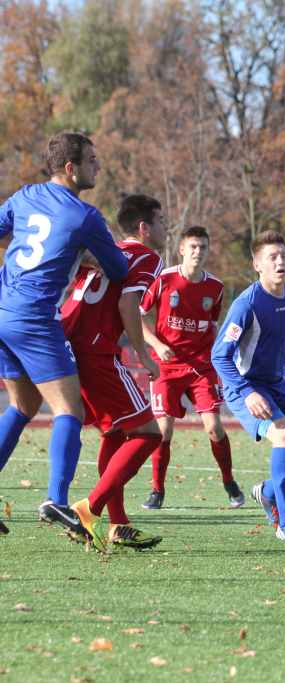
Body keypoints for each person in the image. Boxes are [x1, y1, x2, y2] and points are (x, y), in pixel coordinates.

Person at [0, 132, 129, 538]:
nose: (98, 166)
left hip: (3, 311)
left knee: (22, 405)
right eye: (92, 160)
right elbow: (120, 269)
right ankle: (55, 499)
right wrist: (86, 252)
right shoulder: (85, 216)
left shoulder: (25, 196)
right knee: (69, 410)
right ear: (71, 169)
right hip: (35, 318)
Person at [59, 194, 169, 551]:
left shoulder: (104, 249)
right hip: (95, 351)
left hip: (67, 344)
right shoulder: (147, 257)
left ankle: (118, 524)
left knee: (116, 431)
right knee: (148, 433)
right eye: (162, 222)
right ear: (144, 227)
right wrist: (144, 354)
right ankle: (89, 508)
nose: (166, 229)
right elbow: (127, 302)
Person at [212, 231, 285, 542]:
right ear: (257, 265)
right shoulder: (247, 305)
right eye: (272, 257)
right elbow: (219, 356)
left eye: (284, 256)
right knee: (284, 434)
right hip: (244, 387)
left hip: (278, 384)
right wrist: (247, 392)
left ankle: (267, 491)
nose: (281, 262)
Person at [138, 226, 243, 510]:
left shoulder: (216, 288)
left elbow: (213, 324)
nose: (198, 252)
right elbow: (139, 316)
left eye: (203, 247)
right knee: (163, 430)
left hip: (200, 366)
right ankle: (157, 490)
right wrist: (157, 345)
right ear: (182, 249)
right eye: (193, 247)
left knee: (214, 428)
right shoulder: (164, 280)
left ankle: (229, 481)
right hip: (166, 365)